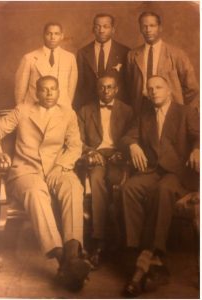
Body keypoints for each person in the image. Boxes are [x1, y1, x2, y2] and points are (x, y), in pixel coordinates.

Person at [0, 76, 90, 291]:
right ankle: (65, 260)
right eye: (44, 90)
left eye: (53, 89)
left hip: (57, 167)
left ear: (58, 91)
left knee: (73, 187)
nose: (48, 94)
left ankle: (72, 252)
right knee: (36, 192)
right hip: (26, 170)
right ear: (36, 92)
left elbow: (75, 146)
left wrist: (62, 165)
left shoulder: (68, 113)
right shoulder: (23, 110)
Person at [121, 75, 199, 297]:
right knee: (130, 189)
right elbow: (126, 137)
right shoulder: (144, 114)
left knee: (163, 190)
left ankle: (147, 257)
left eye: (159, 87)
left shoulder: (184, 112)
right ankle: (140, 251)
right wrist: (133, 145)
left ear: (169, 91)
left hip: (179, 172)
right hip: (153, 170)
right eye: (150, 88)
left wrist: (197, 149)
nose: (154, 91)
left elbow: (199, 135)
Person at [77, 74, 135, 268]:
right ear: (97, 89)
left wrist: (123, 152)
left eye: (110, 87)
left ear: (116, 89)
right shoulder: (85, 111)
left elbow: (132, 136)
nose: (106, 91)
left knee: (119, 183)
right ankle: (99, 239)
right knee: (95, 179)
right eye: (102, 87)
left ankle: (122, 242)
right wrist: (90, 152)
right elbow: (78, 139)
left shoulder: (127, 111)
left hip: (119, 156)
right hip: (97, 155)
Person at [126, 11, 199, 116]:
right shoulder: (132, 55)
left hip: (169, 108)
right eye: (144, 26)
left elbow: (192, 88)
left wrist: (175, 102)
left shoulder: (177, 54)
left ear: (160, 28)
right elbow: (130, 84)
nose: (148, 30)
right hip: (142, 107)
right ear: (140, 29)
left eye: (152, 26)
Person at [74, 13, 130, 110]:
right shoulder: (83, 53)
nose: (101, 30)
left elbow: (128, 84)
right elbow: (80, 85)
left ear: (113, 30)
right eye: (97, 27)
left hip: (117, 107)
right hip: (90, 107)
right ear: (93, 29)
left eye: (106, 27)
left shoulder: (125, 52)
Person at [15, 22, 78, 107]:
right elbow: (20, 89)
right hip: (33, 108)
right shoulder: (29, 58)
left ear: (62, 36)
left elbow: (71, 89)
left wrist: (66, 107)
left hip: (60, 109)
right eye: (49, 34)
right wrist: (21, 109)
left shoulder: (70, 58)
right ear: (43, 35)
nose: (53, 37)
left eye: (56, 34)